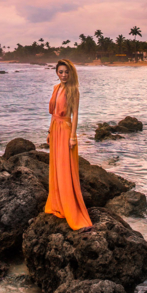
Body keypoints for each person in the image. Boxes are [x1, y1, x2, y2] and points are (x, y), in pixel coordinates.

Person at [44, 58, 92, 231]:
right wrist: (49, 132)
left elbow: (75, 114)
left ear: (71, 73)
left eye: (66, 72)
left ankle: (71, 208)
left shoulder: (73, 90)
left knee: (65, 169)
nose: (63, 75)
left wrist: (73, 137)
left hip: (65, 130)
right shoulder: (56, 88)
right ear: (57, 73)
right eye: (60, 72)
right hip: (55, 129)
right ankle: (57, 204)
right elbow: (53, 115)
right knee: (56, 167)